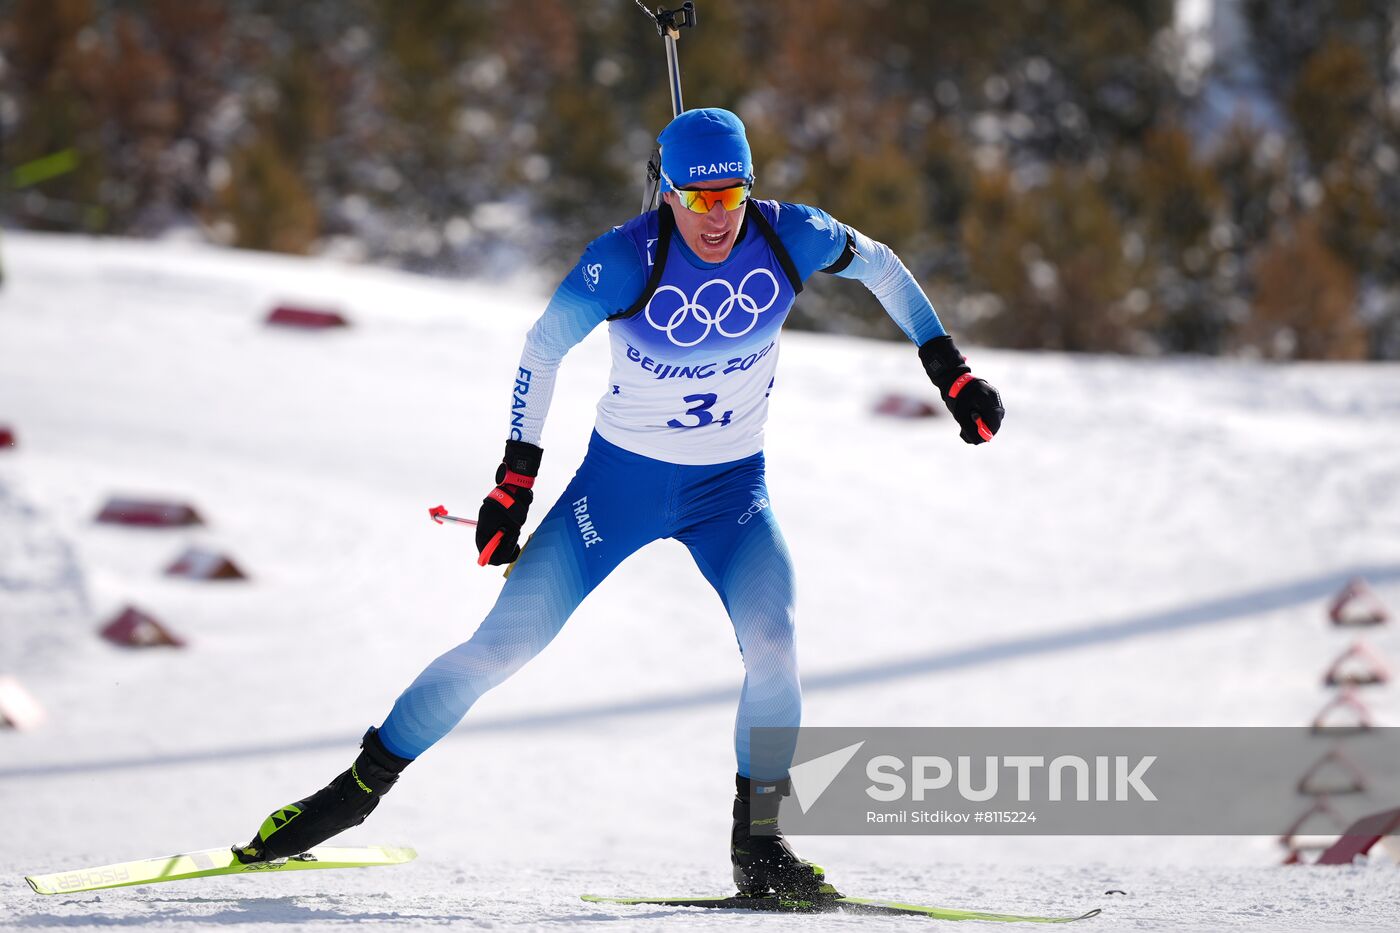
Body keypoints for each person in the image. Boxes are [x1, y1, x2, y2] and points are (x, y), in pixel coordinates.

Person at [234, 108, 1004, 897]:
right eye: (697, 199)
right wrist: (515, 481)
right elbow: (543, 347)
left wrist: (948, 368)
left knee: (774, 648)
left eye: (731, 195)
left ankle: (760, 848)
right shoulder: (625, 258)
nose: (716, 216)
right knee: (501, 649)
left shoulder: (789, 235)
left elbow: (881, 265)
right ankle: (350, 796)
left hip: (731, 493)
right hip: (617, 489)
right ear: (665, 192)